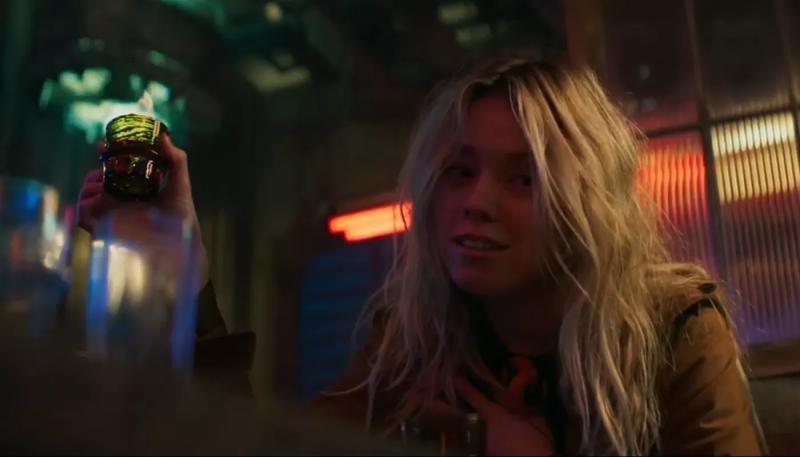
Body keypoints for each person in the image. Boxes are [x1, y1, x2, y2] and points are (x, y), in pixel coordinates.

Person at [78, 56, 766, 455]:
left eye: (524, 178)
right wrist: (181, 252)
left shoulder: (675, 329)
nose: (477, 201)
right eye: (460, 171)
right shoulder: (415, 340)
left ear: (585, 203)